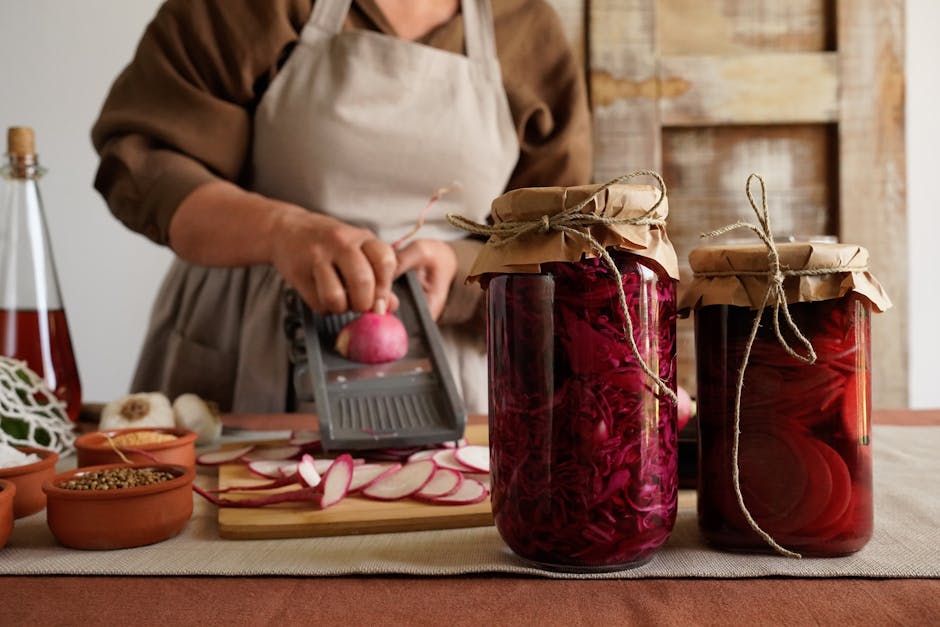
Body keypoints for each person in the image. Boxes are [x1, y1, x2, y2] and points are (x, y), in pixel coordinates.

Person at [91, 0, 592, 415]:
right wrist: (280, 230)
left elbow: (561, 235)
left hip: (452, 367)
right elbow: (144, 163)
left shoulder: (526, 26)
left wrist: (462, 267)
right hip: (246, 345)